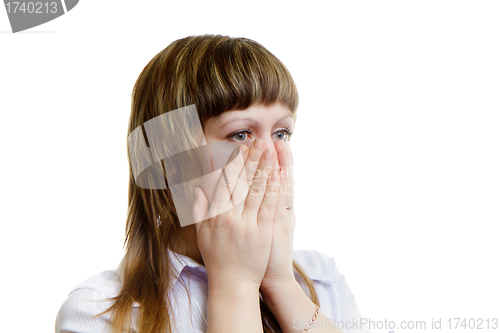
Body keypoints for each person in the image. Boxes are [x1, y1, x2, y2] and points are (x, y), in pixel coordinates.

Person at [55, 34, 372, 333]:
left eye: (281, 133)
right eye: (241, 134)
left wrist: (280, 284)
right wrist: (235, 284)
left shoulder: (323, 279)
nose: (273, 159)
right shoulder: (99, 311)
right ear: (171, 156)